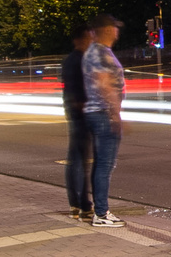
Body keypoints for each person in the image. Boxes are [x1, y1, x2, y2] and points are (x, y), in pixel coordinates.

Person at [81, 14, 126, 227]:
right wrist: (116, 115)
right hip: (103, 113)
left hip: (96, 112)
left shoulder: (94, 51)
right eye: (114, 27)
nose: (117, 31)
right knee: (105, 165)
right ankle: (101, 213)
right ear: (107, 30)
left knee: (100, 164)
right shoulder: (99, 52)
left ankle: (99, 209)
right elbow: (105, 84)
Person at [61, 25, 93, 219]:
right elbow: (77, 90)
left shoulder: (70, 60)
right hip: (81, 114)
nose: (90, 41)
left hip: (75, 114)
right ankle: (82, 203)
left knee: (76, 159)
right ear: (79, 40)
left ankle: (76, 203)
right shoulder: (79, 60)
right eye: (88, 38)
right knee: (80, 161)